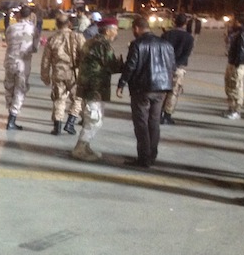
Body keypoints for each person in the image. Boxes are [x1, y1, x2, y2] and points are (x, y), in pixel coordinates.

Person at [116, 16, 175, 168]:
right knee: (154, 122)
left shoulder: (137, 44)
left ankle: (144, 158)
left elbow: (131, 66)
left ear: (136, 28)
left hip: (142, 88)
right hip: (161, 89)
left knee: (141, 123)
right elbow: (171, 66)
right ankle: (152, 155)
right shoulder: (166, 44)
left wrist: (121, 83)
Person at [71, 19, 124, 161]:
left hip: (87, 86)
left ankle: (85, 146)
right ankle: (80, 149)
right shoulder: (103, 45)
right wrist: (124, 64)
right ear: (108, 30)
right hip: (95, 87)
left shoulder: (89, 42)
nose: (116, 33)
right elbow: (112, 66)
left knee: (92, 118)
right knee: (94, 119)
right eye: (115, 30)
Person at [40, 13, 85, 135]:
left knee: (59, 99)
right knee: (78, 99)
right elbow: (85, 55)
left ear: (56, 24)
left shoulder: (52, 39)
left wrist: (45, 76)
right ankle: (70, 123)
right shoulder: (78, 37)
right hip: (74, 73)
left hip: (58, 73)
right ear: (69, 24)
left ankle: (57, 126)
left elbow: (46, 60)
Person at [3, 5, 36, 130]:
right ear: (30, 15)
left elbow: (7, 41)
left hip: (10, 61)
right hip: (23, 64)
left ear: (19, 15)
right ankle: (12, 117)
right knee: (20, 90)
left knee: (9, 88)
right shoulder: (32, 30)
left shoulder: (11, 28)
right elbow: (34, 47)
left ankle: (10, 113)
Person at [160, 13, 195, 124]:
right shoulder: (189, 38)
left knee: (161, 91)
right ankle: (167, 115)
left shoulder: (167, 34)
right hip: (179, 68)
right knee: (173, 92)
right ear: (185, 23)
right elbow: (186, 54)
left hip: (165, 66)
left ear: (174, 22)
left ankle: (157, 113)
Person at [224, 13, 244, 120]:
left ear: (239, 23)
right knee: (229, 86)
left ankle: (237, 111)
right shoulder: (236, 33)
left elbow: (243, 51)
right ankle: (231, 108)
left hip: (237, 65)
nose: (232, 23)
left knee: (236, 86)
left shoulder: (242, 35)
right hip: (232, 63)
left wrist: (236, 64)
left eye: (234, 21)